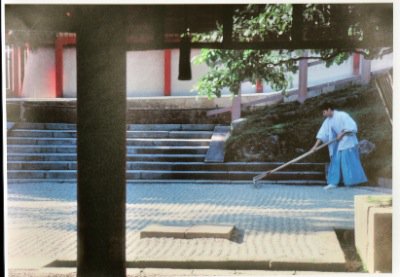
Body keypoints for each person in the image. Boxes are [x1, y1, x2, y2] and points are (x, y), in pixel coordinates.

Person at [311, 102, 368, 190]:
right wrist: (315, 147)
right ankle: (333, 183)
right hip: (338, 143)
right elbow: (322, 134)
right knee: (335, 162)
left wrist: (342, 133)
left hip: (348, 142)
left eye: (324, 112)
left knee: (347, 162)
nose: (324, 114)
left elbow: (352, 127)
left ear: (329, 109)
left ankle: (351, 183)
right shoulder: (327, 121)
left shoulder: (342, 115)